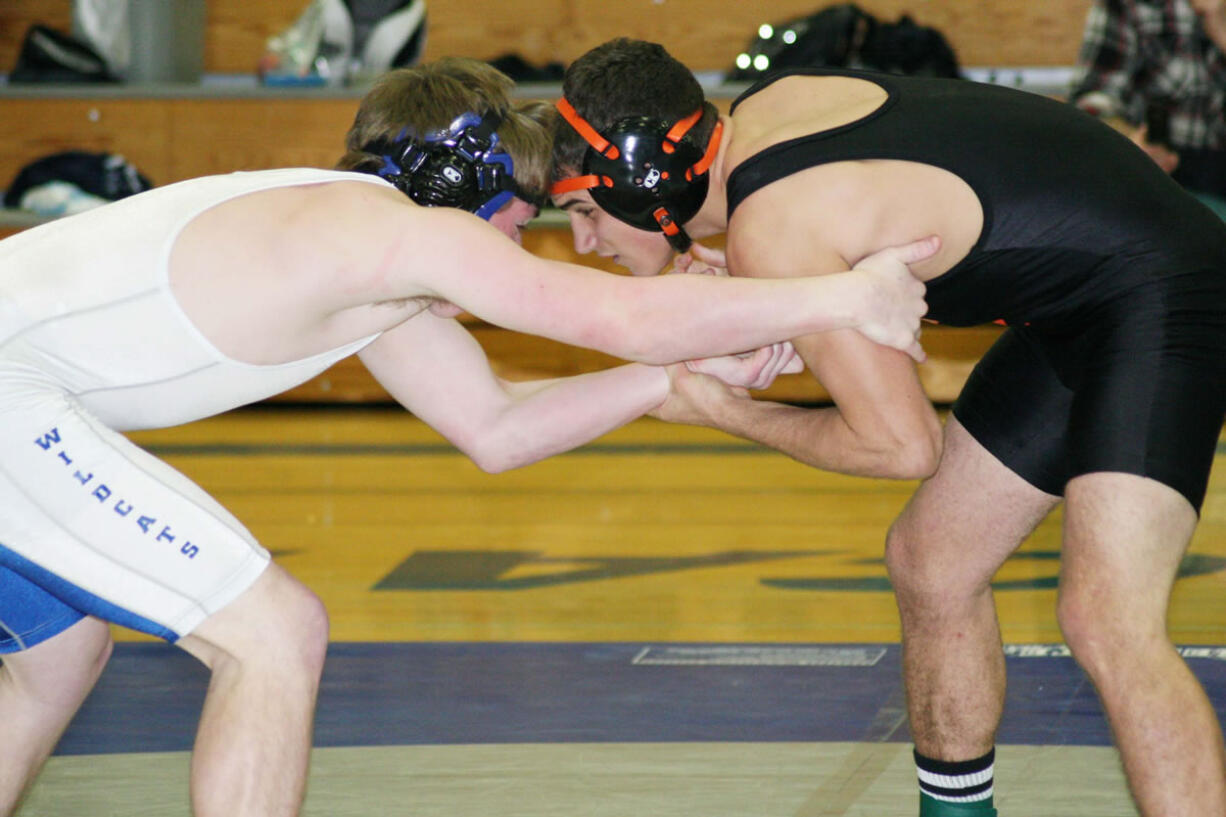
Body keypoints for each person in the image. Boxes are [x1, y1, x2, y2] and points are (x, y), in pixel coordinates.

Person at [0, 57, 932, 817]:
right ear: (457, 186)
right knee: (273, 634)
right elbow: (628, 316)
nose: (514, 255)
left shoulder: (356, 253)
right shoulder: (397, 234)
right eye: (517, 225)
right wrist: (849, 296)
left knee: (57, 655)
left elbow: (497, 427)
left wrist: (672, 382)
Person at [549, 38, 1226, 817]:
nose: (584, 243)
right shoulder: (772, 110)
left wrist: (724, 410)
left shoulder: (772, 228)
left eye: (584, 211)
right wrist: (749, 281)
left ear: (644, 185)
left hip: (1165, 292)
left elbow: (900, 446)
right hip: (1082, 300)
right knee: (930, 562)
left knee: (1107, 619)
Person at [1070, 0, 1226, 217]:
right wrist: (1130, 142)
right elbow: (1090, 103)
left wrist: (1222, 31)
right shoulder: (1127, 6)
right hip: (1163, 178)